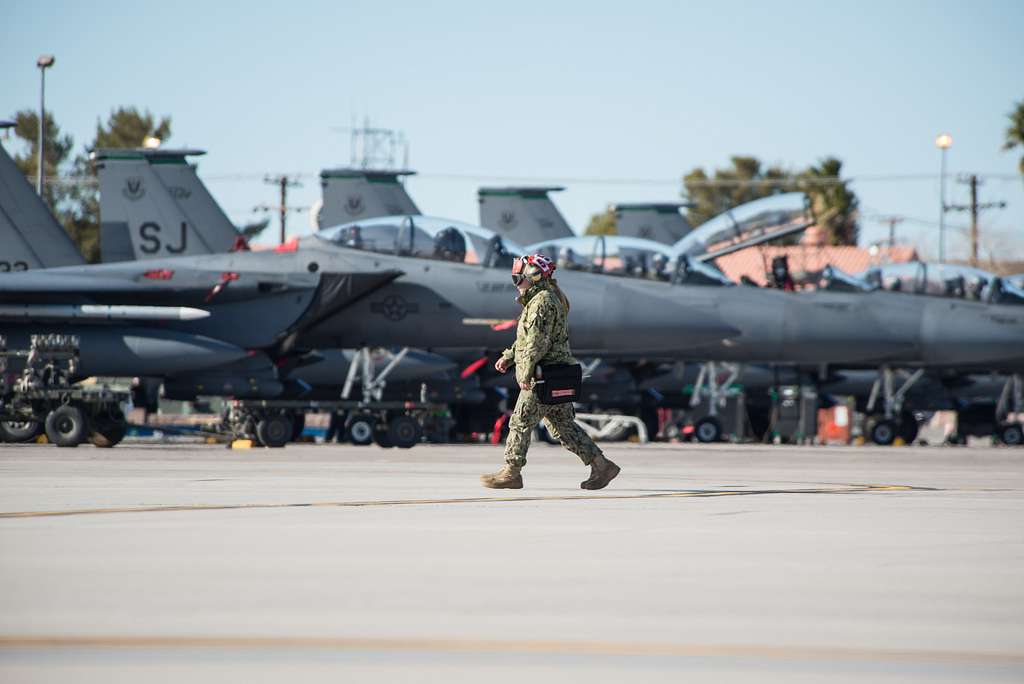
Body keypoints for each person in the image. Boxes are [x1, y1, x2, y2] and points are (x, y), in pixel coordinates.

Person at [482, 254, 620, 490]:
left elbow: (537, 343)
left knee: (520, 423)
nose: (517, 280)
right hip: (555, 372)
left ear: (534, 276)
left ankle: (511, 473)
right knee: (564, 427)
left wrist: (524, 374)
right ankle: (601, 465)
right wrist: (508, 357)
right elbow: (527, 339)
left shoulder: (542, 302)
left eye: (520, 276)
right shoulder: (541, 299)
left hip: (543, 375)